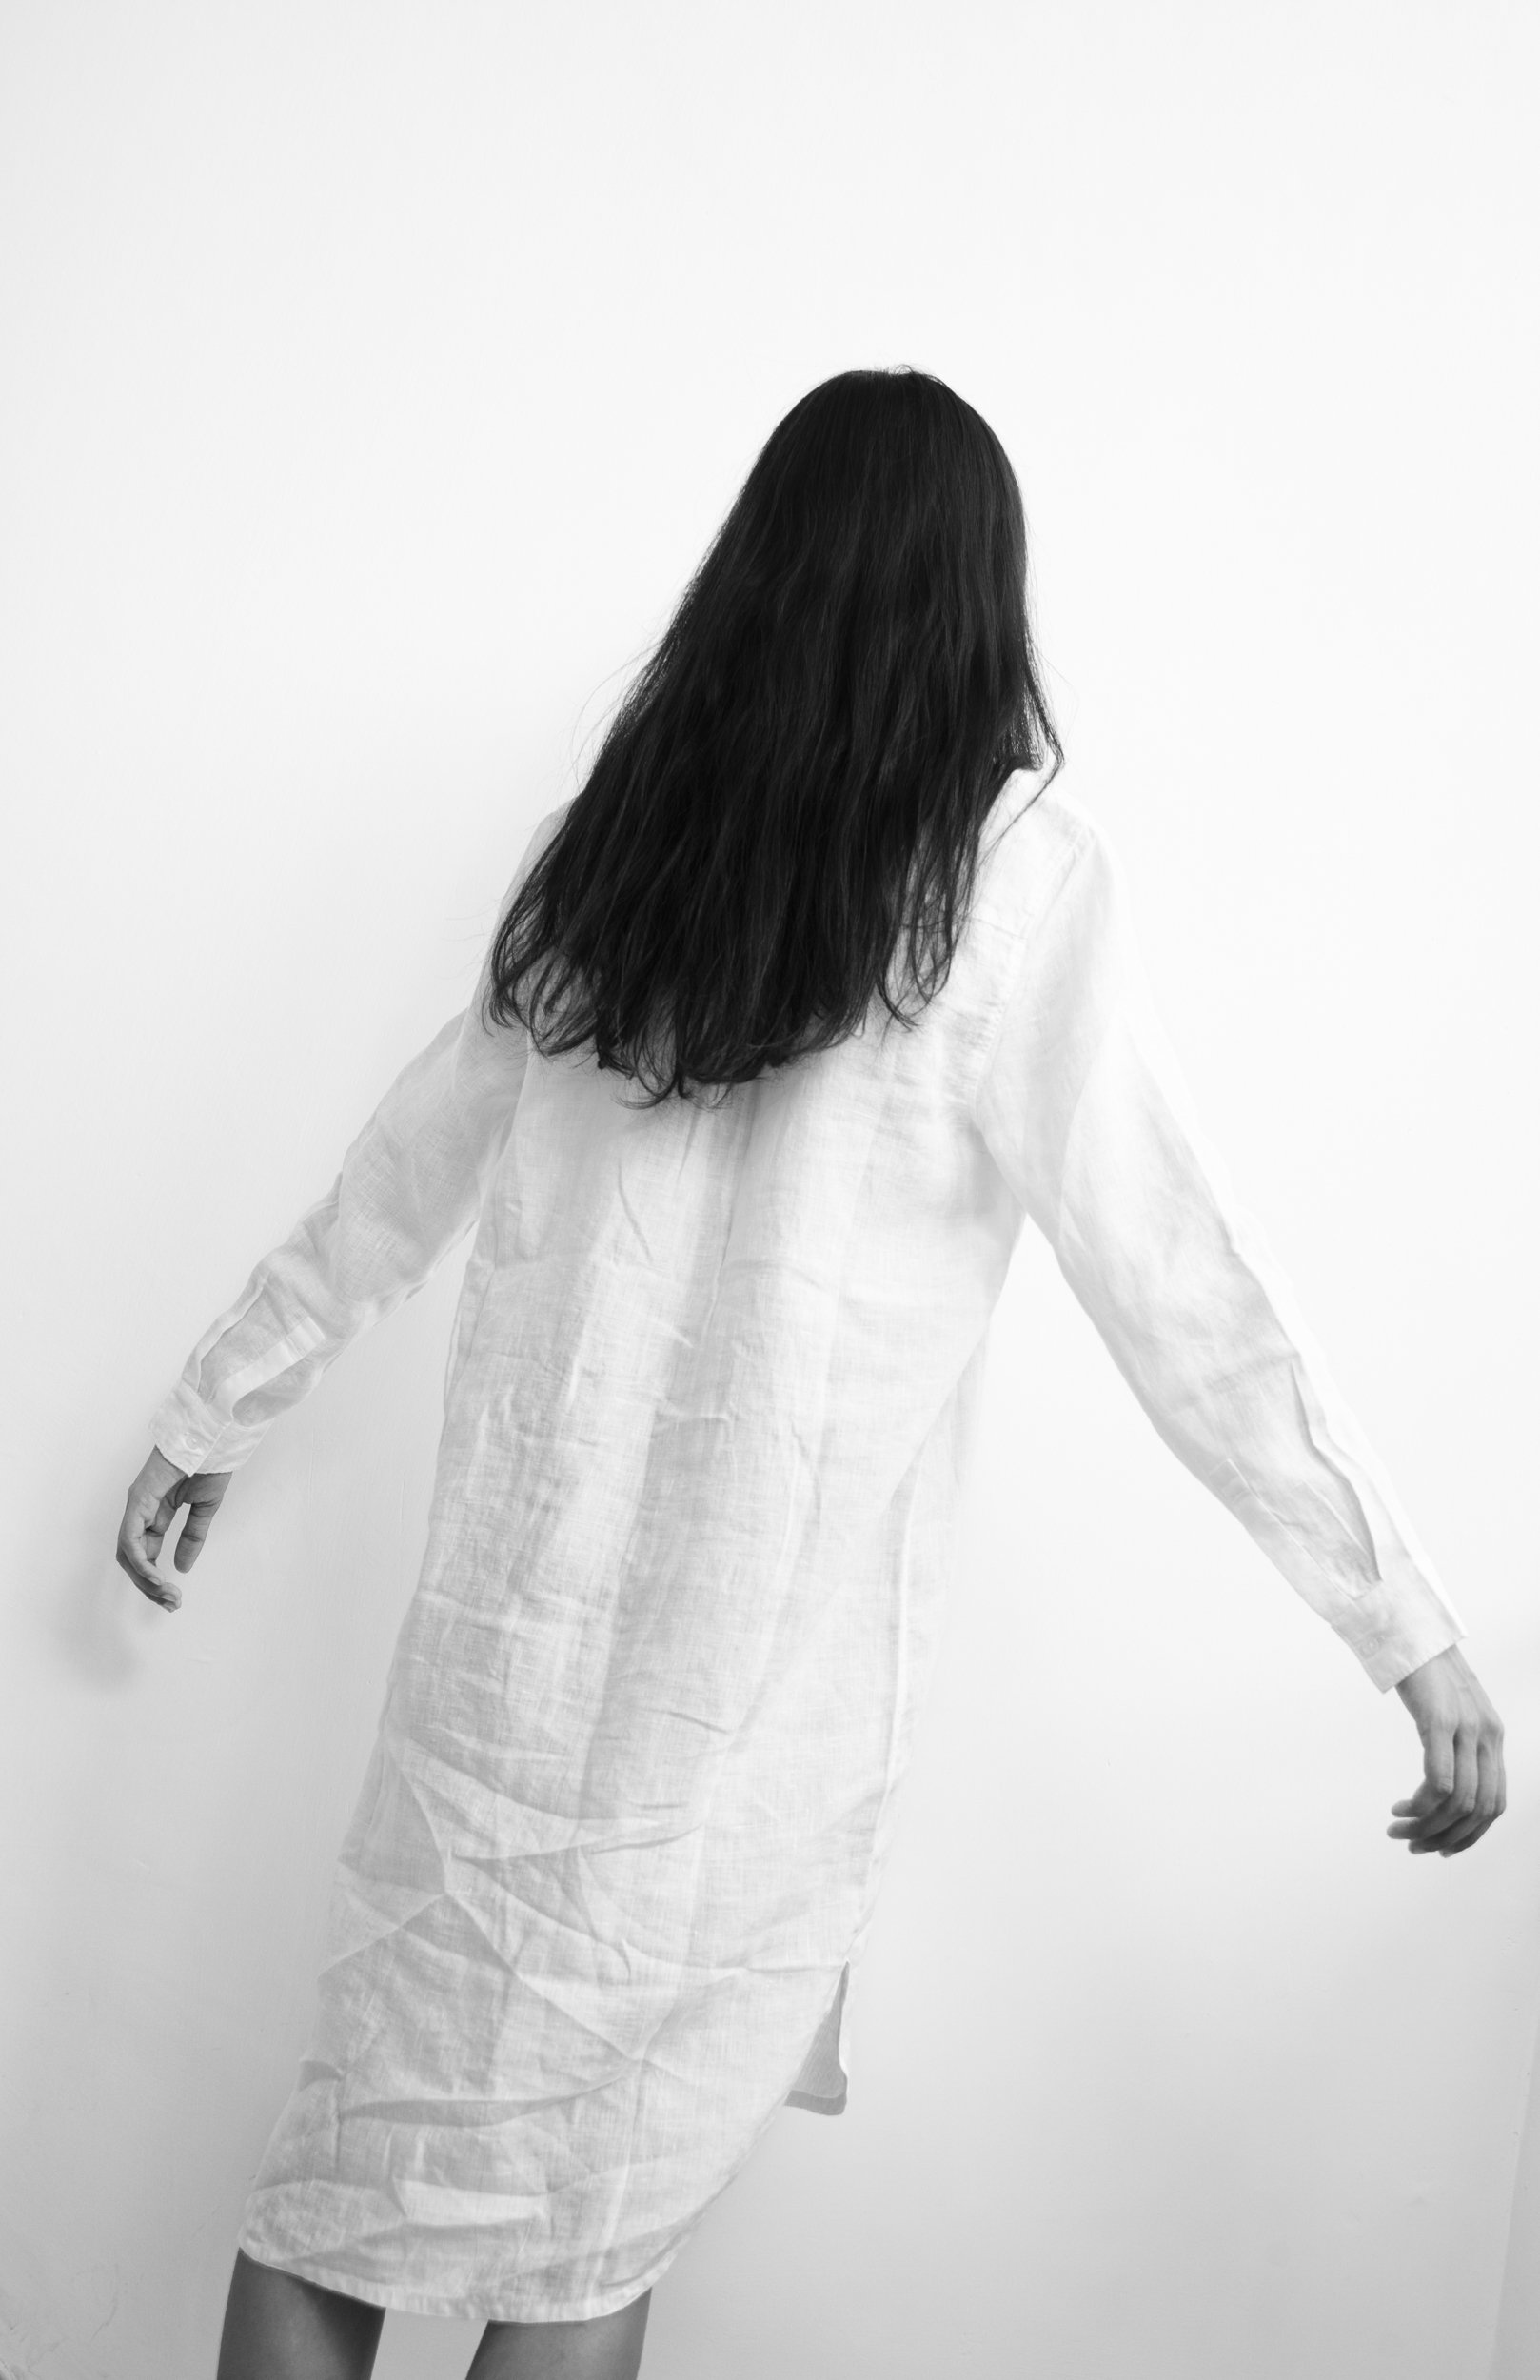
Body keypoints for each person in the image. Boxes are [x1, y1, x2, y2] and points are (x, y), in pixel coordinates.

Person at [116, 367, 1506, 2380]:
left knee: (349, 2177)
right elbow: (1179, 1275)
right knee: (581, 2242)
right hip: (724, 1730)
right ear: (973, 602)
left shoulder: (618, 848)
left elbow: (401, 1160)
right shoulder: (1008, 884)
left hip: (493, 1700)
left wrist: (220, 1402)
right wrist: (1406, 1627)